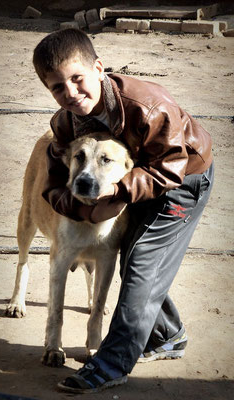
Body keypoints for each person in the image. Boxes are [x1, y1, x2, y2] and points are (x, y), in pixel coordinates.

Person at [32, 28, 214, 394]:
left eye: (78, 79)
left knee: (143, 259)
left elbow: (171, 165)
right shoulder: (64, 124)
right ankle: (168, 335)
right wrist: (86, 213)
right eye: (57, 87)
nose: (70, 93)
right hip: (128, 183)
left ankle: (111, 363)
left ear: (99, 68)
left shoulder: (148, 105)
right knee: (133, 255)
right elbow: (52, 185)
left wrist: (115, 191)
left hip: (182, 178)